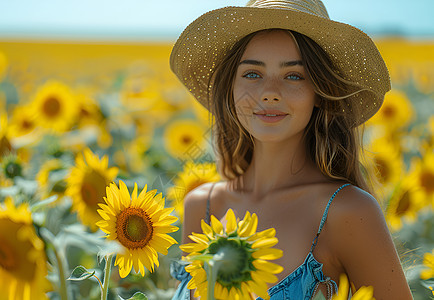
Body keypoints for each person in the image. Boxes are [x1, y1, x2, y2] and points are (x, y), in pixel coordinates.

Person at [169, 0, 413, 299]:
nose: (270, 92)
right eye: (252, 74)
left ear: (321, 93)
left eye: (294, 76)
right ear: (229, 88)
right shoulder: (201, 206)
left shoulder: (347, 212)